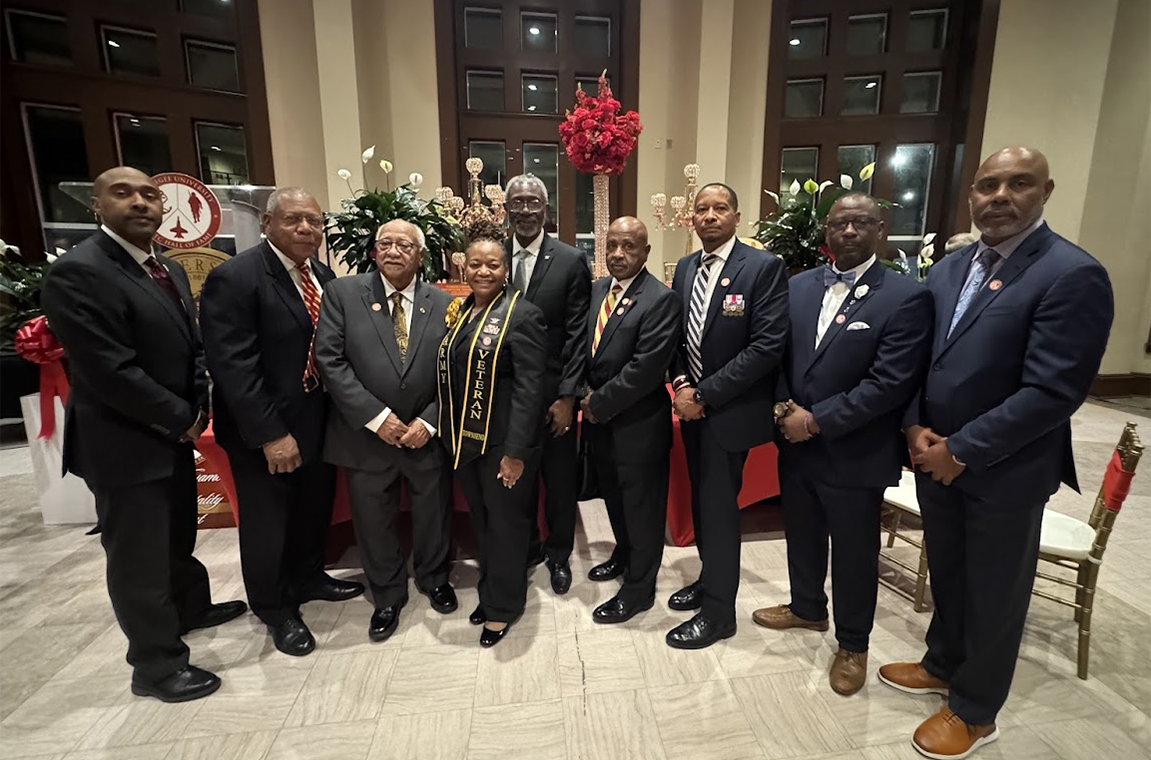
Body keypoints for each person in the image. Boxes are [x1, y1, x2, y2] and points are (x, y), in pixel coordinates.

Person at [880, 147, 1114, 759]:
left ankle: (977, 709)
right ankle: (942, 663)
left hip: (1005, 468)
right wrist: (913, 429)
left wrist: (963, 449)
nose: (1000, 196)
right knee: (952, 571)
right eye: (988, 185)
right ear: (971, 196)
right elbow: (918, 359)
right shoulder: (952, 267)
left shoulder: (1071, 272)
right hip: (935, 455)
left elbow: (1053, 391)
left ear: (1046, 190)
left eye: (1019, 183)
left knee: (994, 589)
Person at [41, 166, 245, 702]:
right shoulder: (80, 272)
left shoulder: (167, 269)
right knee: (138, 558)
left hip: (171, 434)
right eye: (122, 193)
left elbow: (192, 347)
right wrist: (182, 416)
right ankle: (155, 665)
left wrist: (197, 405)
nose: (140, 203)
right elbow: (108, 370)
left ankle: (189, 608)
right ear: (97, 206)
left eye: (149, 195)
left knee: (177, 535)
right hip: (125, 443)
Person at [751, 193, 933, 696]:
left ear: (881, 229)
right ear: (826, 231)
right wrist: (785, 409)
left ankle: (854, 643)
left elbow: (890, 383)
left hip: (856, 450)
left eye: (860, 223)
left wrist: (815, 421)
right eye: (839, 224)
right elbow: (777, 357)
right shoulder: (799, 286)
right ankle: (807, 608)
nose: (849, 232)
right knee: (802, 534)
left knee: (854, 553)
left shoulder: (904, 295)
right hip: (796, 443)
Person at [200, 187, 363, 659]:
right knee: (268, 522)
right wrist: (271, 434)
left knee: (312, 510)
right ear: (268, 223)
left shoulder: (323, 277)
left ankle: (309, 577)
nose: (306, 229)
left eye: (314, 221)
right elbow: (234, 365)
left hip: (316, 423)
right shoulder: (236, 277)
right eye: (294, 220)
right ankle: (275, 609)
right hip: (266, 432)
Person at [314, 220, 456, 643]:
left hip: (424, 434)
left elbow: (454, 370)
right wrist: (378, 418)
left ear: (421, 255)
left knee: (433, 514)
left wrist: (430, 420)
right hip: (366, 436)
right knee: (374, 522)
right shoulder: (343, 294)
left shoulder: (445, 302)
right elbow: (330, 360)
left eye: (405, 245)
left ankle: (434, 579)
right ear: (375, 251)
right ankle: (388, 595)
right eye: (385, 244)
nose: (394, 251)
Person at [667, 182, 789, 649]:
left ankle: (719, 614)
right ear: (691, 219)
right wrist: (680, 385)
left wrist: (705, 395)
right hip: (693, 409)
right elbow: (675, 338)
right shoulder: (684, 268)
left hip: (729, 413)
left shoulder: (762, 267)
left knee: (719, 512)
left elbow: (766, 347)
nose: (711, 215)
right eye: (702, 209)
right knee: (702, 505)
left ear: (737, 217)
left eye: (721, 208)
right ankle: (708, 578)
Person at [439, 225, 548, 647]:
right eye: (476, 263)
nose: (484, 271)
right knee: (484, 522)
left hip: (505, 446)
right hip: (468, 442)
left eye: (494, 264)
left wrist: (517, 451)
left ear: (507, 269)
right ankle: (492, 591)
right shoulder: (463, 311)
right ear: (464, 266)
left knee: (506, 525)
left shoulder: (523, 314)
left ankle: (504, 607)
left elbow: (530, 389)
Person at [580, 217, 682, 624]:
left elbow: (644, 369)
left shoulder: (660, 299)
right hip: (602, 424)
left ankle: (640, 589)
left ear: (646, 253)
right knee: (616, 501)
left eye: (629, 247)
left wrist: (595, 403)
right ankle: (624, 554)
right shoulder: (597, 291)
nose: (619, 254)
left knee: (642, 509)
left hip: (638, 424)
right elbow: (584, 348)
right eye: (613, 246)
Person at [503, 174, 591, 595]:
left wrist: (568, 396)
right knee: (512, 479)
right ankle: (522, 551)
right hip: (505, 397)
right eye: (516, 202)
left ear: (546, 209)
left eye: (532, 203)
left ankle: (559, 554)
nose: (524, 210)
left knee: (558, 483)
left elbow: (578, 334)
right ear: (506, 209)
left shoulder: (572, 260)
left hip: (554, 394)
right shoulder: (491, 257)